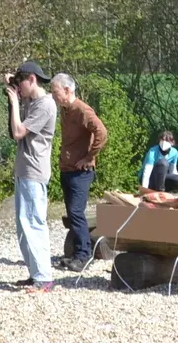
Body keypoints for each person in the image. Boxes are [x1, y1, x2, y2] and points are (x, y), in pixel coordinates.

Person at [3, 61, 57, 292]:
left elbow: (17, 132)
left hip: (34, 171)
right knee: (23, 226)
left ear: (32, 79)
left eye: (21, 83)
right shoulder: (32, 102)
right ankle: (36, 273)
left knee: (33, 223)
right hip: (25, 171)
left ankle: (44, 277)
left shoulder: (45, 105)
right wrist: (14, 95)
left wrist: (15, 101)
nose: (19, 89)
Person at [49, 73, 108, 272]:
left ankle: (84, 255)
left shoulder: (82, 110)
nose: (53, 96)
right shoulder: (66, 110)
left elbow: (101, 132)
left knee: (76, 212)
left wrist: (90, 157)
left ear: (67, 90)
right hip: (68, 169)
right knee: (72, 214)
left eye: (55, 92)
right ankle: (76, 253)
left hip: (80, 172)